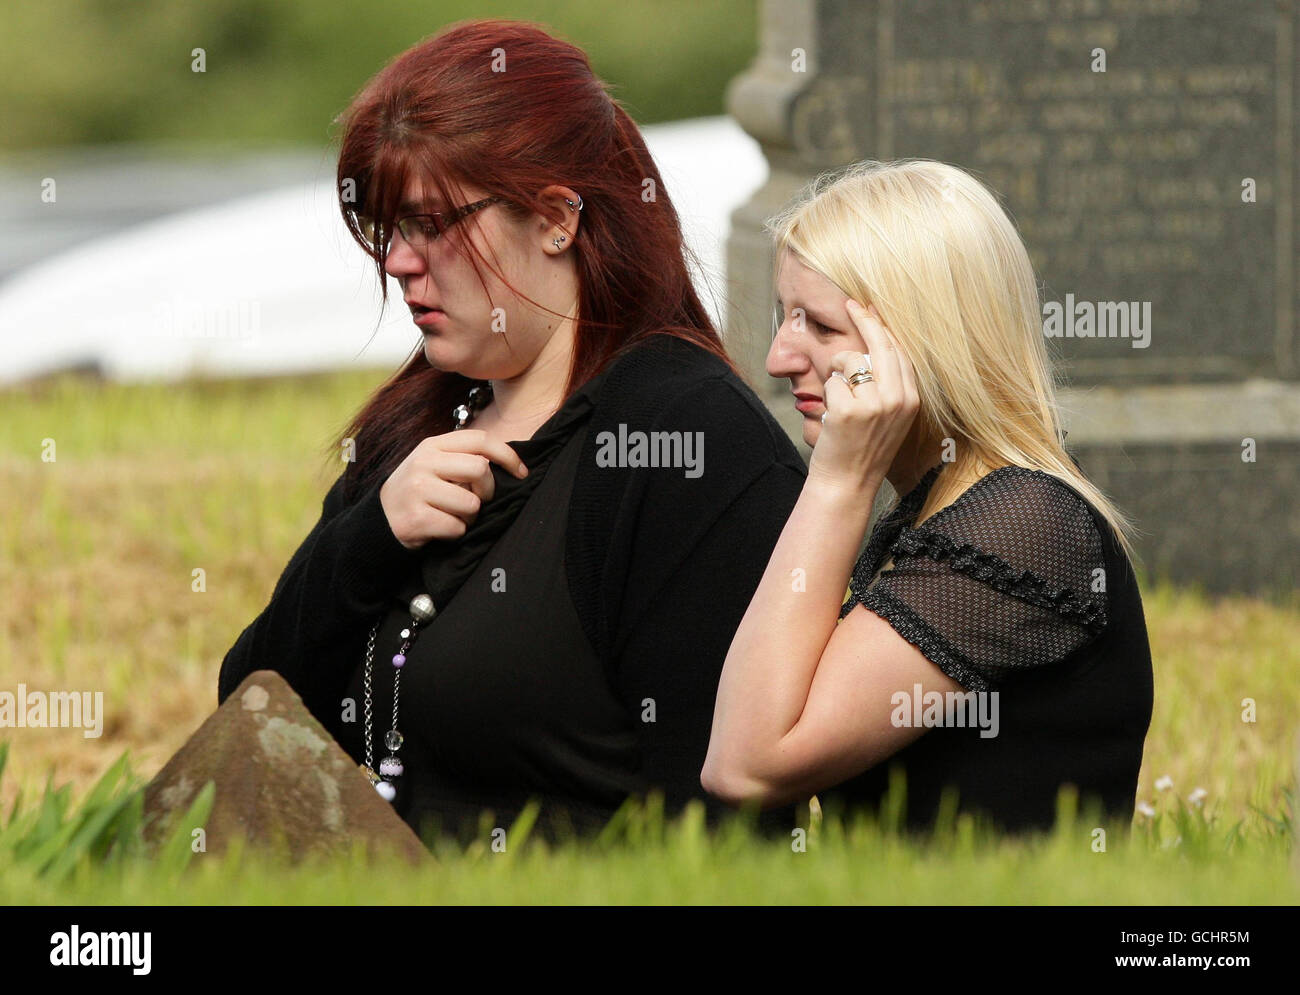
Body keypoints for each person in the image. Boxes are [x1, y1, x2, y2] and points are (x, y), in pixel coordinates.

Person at [217, 19, 807, 847]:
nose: (397, 261)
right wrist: (368, 538)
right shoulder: (418, 421)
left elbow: (721, 825)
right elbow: (250, 718)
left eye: (433, 222)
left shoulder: (688, 443)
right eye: (388, 227)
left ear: (557, 217)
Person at [702, 159, 1154, 834]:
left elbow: (745, 764)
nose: (778, 357)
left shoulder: (1023, 520)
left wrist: (838, 478)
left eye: (819, 327)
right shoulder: (935, 507)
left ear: (921, 341)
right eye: (784, 319)